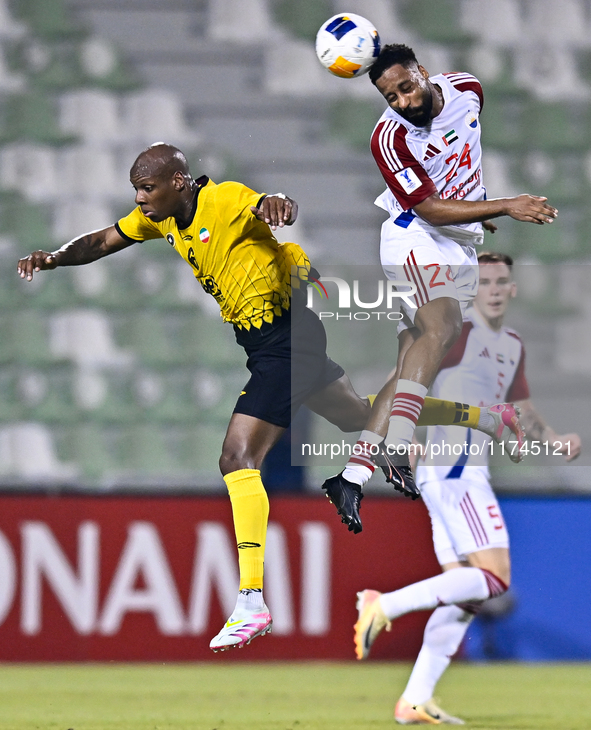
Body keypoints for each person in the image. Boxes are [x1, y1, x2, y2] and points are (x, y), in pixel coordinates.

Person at [16, 143, 523, 651]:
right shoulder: (162, 219)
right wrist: (56, 258)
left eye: (147, 189)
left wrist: (278, 205)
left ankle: (251, 600)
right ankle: (485, 417)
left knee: (238, 455)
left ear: (178, 182)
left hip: (288, 341)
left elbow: (265, 203)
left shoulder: (224, 199)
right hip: (269, 345)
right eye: (136, 191)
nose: (140, 200)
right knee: (363, 417)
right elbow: (103, 241)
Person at [323, 44, 558, 528]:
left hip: (458, 243)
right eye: (391, 97)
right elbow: (427, 208)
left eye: (406, 88)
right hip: (415, 237)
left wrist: (478, 207)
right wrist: (504, 205)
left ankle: (351, 474)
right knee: (443, 327)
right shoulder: (389, 138)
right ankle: (399, 445)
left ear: (423, 74)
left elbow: (464, 158)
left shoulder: (468, 89)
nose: (403, 103)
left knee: (412, 362)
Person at [353, 252, 581, 725]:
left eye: (502, 281)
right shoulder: (453, 336)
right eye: (486, 282)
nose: (495, 289)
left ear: (512, 289)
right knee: (495, 578)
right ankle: (384, 604)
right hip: (453, 468)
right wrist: (403, 435)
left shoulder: (511, 345)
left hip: (463, 470)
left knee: (468, 596)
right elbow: (399, 383)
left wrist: (552, 439)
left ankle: (413, 699)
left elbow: (521, 408)